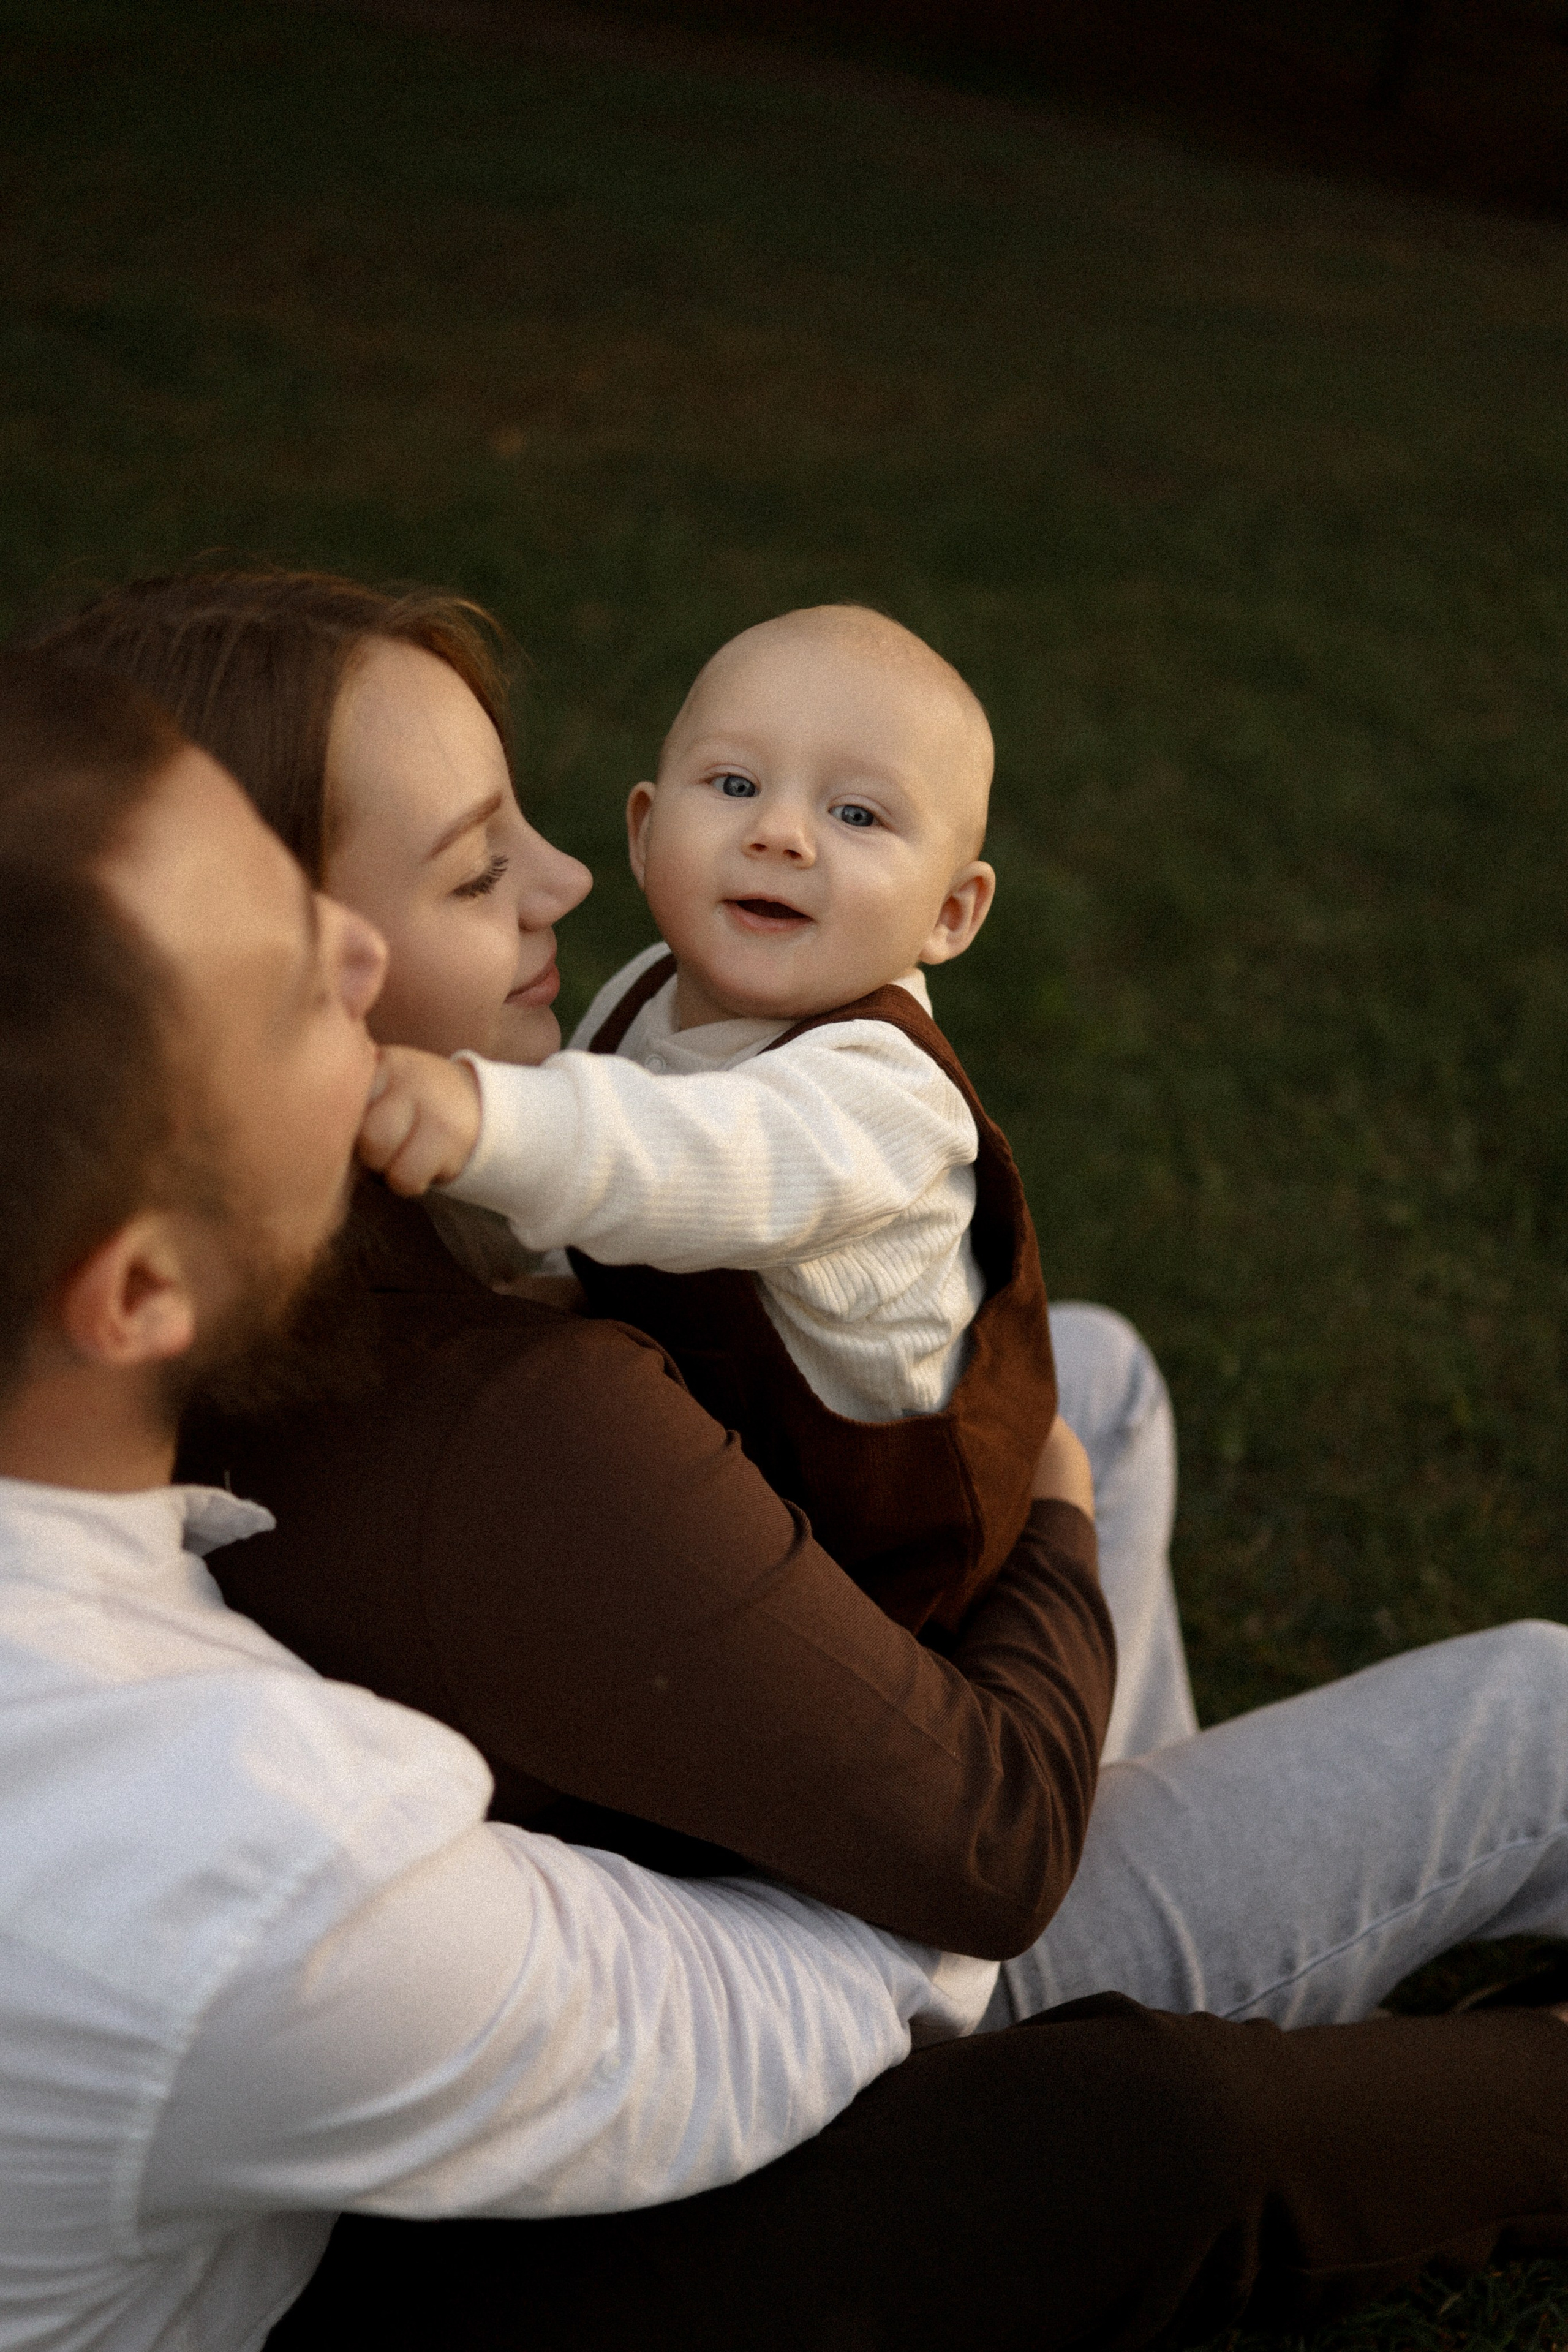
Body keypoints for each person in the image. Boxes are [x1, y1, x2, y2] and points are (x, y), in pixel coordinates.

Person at [10, 638, 1568, 2352]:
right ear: (140, 1282)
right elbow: (957, 1877)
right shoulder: (267, 1825)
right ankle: (1183, 1967)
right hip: (869, 1932)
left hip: (726, 1803)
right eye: (313, 964)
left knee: (1097, 1371)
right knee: (1536, 1713)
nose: (567, 877)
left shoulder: (219, 1390)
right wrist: (1046, 1553)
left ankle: (1164, 1827)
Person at [359, 603, 1053, 1634]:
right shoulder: (652, 990)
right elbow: (604, 1174)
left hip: (884, 1553)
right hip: (725, 1466)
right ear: (645, 834)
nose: (779, 833)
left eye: (858, 815)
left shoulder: (885, 1100)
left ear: (950, 914)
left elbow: (692, 1161)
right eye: (734, 786)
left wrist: (476, 1117)